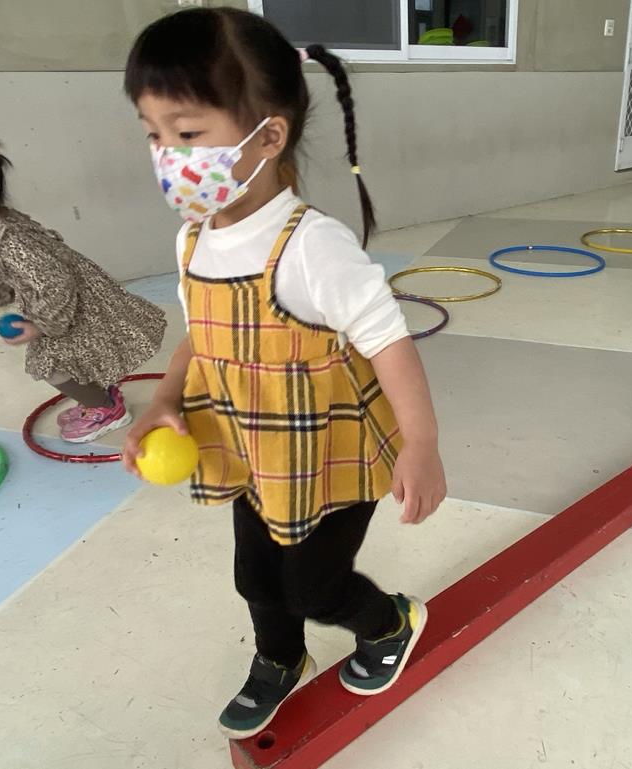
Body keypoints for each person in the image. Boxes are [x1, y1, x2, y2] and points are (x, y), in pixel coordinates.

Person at [119, 7, 447, 740]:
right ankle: (279, 658)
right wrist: (165, 400)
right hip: (252, 449)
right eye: (153, 134)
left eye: (186, 133)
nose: (167, 154)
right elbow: (203, 335)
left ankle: (390, 622)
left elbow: (391, 343)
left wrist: (422, 444)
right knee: (254, 575)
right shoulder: (192, 239)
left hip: (330, 454)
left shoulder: (312, 247)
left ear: (268, 136)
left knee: (314, 585)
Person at [0, 137, 166, 443]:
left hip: (70, 308)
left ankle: (105, 409)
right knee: (67, 362)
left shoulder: (12, 240)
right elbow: (12, 272)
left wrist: (39, 326)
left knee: (53, 368)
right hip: (61, 303)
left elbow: (57, 283)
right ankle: (97, 397)